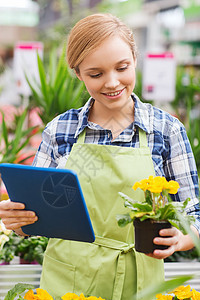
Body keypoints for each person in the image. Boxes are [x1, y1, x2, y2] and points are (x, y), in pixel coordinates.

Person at [0, 13, 200, 300]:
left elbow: (194, 213)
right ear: (78, 73)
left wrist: (182, 238)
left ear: (134, 58)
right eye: (96, 74)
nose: (112, 82)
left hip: (139, 282)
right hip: (67, 282)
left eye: (122, 67)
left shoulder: (166, 130)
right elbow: (36, 216)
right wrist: (17, 220)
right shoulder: (60, 131)